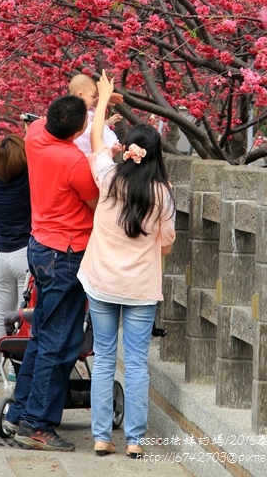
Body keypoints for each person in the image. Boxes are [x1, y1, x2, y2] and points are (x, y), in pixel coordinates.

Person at [78, 70, 176, 459]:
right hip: (139, 289)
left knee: (103, 359)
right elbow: (166, 246)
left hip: (101, 281)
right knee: (136, 364)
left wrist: (101, 101)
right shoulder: (163, 196)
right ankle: (135, 440)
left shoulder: (109, 178)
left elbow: (99, 140)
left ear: (128, 149)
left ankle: (102, 437)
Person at [3, 95, 99, 452]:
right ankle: (38, 424)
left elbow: (48, 117)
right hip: (66, 253)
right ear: (76, 131)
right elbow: (95, 201)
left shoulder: (34, 135)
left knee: (43, 335)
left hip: (40, 245)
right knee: (60, 343)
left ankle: (20, 413)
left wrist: (92, 105)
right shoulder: (74, 160)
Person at [0, 134, 31, 386]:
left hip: (1, 256)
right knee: (23, 316)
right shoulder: (28, 180)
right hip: (25, 256)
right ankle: (15, 371)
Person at [69, 73, 122, 156]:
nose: (93, 100)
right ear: (80, 95)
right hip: (87, 145)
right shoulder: (75, 113)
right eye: (92, 97)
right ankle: (108, 150)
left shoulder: (89, 110)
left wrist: (109, 122)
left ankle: (110, 149)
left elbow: (99, 124)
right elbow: (93, 128)